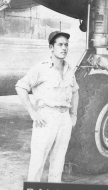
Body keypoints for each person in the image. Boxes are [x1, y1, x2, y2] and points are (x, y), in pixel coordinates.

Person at [15, 31, 79, 182]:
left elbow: (76, 91)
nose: (64, 48)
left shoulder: (69, 69)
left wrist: (73, 114)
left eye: (66, 45)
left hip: (64, 119)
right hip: (46, 118)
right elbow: (20, 87)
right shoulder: (41, 68)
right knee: (38, 161)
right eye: (60, 45)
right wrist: (32, 112)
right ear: (51, 47)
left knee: (58, 162)